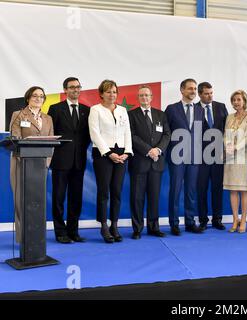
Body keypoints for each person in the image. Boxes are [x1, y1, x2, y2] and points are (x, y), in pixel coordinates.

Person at [88, 80, 133, 243]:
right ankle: (104, 226)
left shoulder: (122, 110)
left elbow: (127, 131)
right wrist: (108, 153)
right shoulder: (95, 110)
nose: (112, 95)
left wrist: (127, 152)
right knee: (104, 191)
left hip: (122, 153)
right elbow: (95, 134)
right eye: (108, 92)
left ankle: (115, 224)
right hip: (103, 154)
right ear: (101, 94)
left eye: (114, 92)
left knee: (117, 191)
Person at [48, 77, 91, 244]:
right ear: (65, 90)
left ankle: (74, 231)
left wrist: (78, 149)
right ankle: (60, 232)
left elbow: (88, 136)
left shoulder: (87, 110)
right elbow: (51, 134)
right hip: (60, 161)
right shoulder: (55, 109)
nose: (75, 90)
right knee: (58, 198)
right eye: (72, 87)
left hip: (78, 161)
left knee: (76, 198)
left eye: (78, 87)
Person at [10, 86, 54, 242]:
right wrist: (25, 159)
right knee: (21, 201)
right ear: (28, 98)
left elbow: (51, 144)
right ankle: (22, 238)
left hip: (40, 165)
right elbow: (15, 138)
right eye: (35, 96)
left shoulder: (48, 118)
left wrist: (46, 164)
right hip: (21, 163)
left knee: (37, 201)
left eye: (41, 96)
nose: (38, 98)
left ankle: (36, 237)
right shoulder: (19, 115)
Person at [128, 86, 170, 239]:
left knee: (154, 197)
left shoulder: (161, 114)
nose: (144, 98)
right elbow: (131, 136)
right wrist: (148, 150)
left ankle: (154, 227)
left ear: (151, 97)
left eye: (146, 95)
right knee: (137, 198)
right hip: (139, 162)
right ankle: (137, 229)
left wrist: (158, 150)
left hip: (156, 162)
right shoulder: (131, 115)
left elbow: (167, 134)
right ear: (138, 98)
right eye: (141, 95)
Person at [165, 78, 204, 235]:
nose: (193, 91)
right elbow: (166, 134)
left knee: (191, 191)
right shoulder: (171, 109)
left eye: (195, 89)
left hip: (194, 157)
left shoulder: (200, 110)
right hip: (176, 156)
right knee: (175, 190)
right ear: (182, 90)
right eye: (190, 88)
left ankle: (189, 222)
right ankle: (174, 223)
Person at [196, 82, 228, 231]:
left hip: (219, 156)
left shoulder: (221, 107)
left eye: (211, 93)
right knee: (201, 189)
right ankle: (203, 220)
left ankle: (217, 219)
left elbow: (228, 129)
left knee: (217, 189)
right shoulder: (193, 109)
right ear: (200, 94)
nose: (210, 96)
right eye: (206, 93)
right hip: (200, 157)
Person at [223, 90, 247, 233]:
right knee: (233, 189)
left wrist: (237, 147)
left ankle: (243, 220)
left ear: (244, 101)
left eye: (239, 99)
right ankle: (235, 219)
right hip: (230, 156)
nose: (236, 102)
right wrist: (228, 146)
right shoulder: (229, 117)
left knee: (244, 188)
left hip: (245, 156)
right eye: (234, 100)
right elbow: (226, 134)